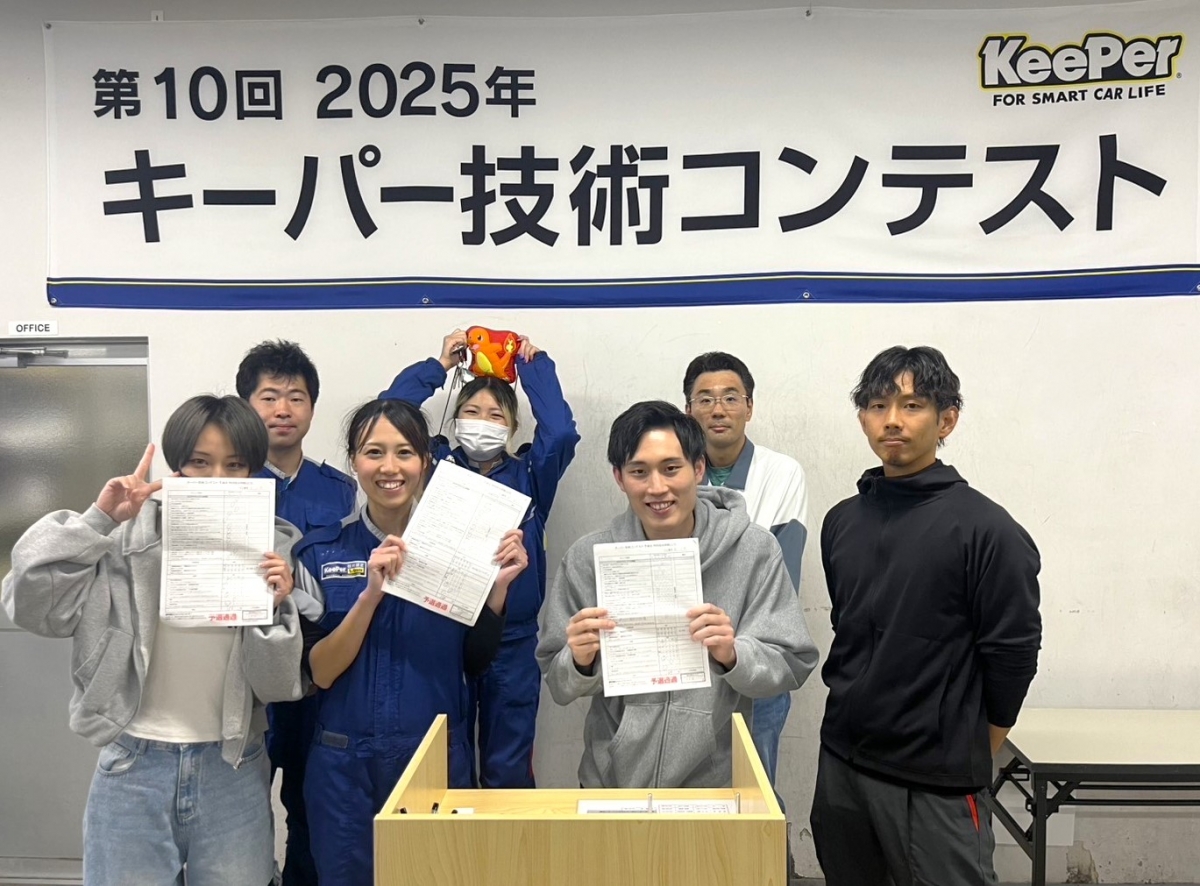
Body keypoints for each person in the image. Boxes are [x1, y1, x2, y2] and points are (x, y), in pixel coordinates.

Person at [1, 395, 305, 886]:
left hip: (232, 766)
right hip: (133, 764)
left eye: (234, 466)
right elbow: (32, 606)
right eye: (200, 463)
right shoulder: (121, 538)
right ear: (176, 465)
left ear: (253, 472)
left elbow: (275, 685)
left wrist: (274, 607)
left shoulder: (271, 547)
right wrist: (99, 520)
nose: (216, 479)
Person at [812, 346, 1042, 886]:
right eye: (877, 405)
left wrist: (969, 751)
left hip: (935, 784)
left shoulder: (987, 531)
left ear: (947, 420)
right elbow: (851, 628)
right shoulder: (842, 521)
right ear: (863, 418)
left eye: (912, 405)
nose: (891, 420)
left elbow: (1013, 656)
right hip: (842, 765)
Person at [293, 398, 527, 886]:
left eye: (404, 452)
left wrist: (498, 590)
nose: (389, 467)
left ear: (425, 461)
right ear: (354, 461)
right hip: (344, 768)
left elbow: (475, 661)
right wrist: (370, 596)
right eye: (373, 452)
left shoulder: (464, 548)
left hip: (433, 761)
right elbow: (321, 672)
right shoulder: (320, 551)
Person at [536, 400, 818, 789]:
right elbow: (557, 681)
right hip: (611, 783)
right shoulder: (589, 558)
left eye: (671, 469)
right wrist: (581, 661)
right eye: (639, 471)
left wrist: (733, 653)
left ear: (698, 469)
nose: (657, 488)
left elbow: (793, 662)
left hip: (715, 786)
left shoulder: (754, 550)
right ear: (619, 478)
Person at [379, 329, 578, 788]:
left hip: (511, 642)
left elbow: (561, 432)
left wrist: (534, 367)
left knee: (508, 767)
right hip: (441, 632)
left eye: (495, 415)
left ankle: (508, 838)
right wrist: (439, 366)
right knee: (444, 762)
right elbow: (389, 417)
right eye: (471, 412)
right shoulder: (432, 466)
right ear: (455, 420)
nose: (481, 422)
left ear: (511, 427)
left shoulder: (531, 475)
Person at [236, 338, 355, 886]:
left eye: (296, 397)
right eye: (269, 397)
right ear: (247, 406)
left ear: (312, 407)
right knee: (240, 811)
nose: (283, 409)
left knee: (313, 807)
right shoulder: (225, 487)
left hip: (320, 677)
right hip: (244, 677)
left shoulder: (344, 492)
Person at [683, 352, 808, 784]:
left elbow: (780, 583)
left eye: (731, 398)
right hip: (686, 660)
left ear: (749, 407)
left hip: (757, 659)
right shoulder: (673, 475)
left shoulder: (781, 473)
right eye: (705, 399)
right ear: (688, 409)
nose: (718, 409)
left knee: (754, 792)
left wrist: (733, 647)